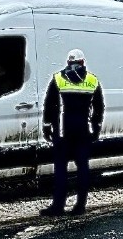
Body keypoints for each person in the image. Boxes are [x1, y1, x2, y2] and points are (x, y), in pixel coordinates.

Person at [40, 49, 105, 216]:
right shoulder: (92, 80)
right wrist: (96, 127)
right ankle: (80, 206)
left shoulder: (58, 79)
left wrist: (47, 125)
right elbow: (99, 106)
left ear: (68, 63)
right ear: (83, 62)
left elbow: (49, 104)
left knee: (61, 169)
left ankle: (58, 206)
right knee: (83, 168)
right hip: (83, 131)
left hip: (62, 132)